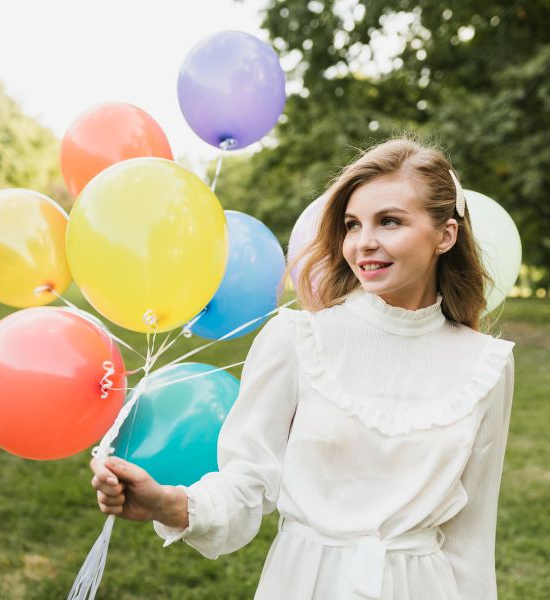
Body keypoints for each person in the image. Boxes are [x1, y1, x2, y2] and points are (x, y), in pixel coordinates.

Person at [89, 138, 516, 599]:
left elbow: (471, 539)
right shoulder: (297, 338)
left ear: (445, 236)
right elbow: (247, 483)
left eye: (389, 221)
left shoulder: (486, 364)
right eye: (352, 225)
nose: (365, 242)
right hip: (306, 582)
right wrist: (169, 503)